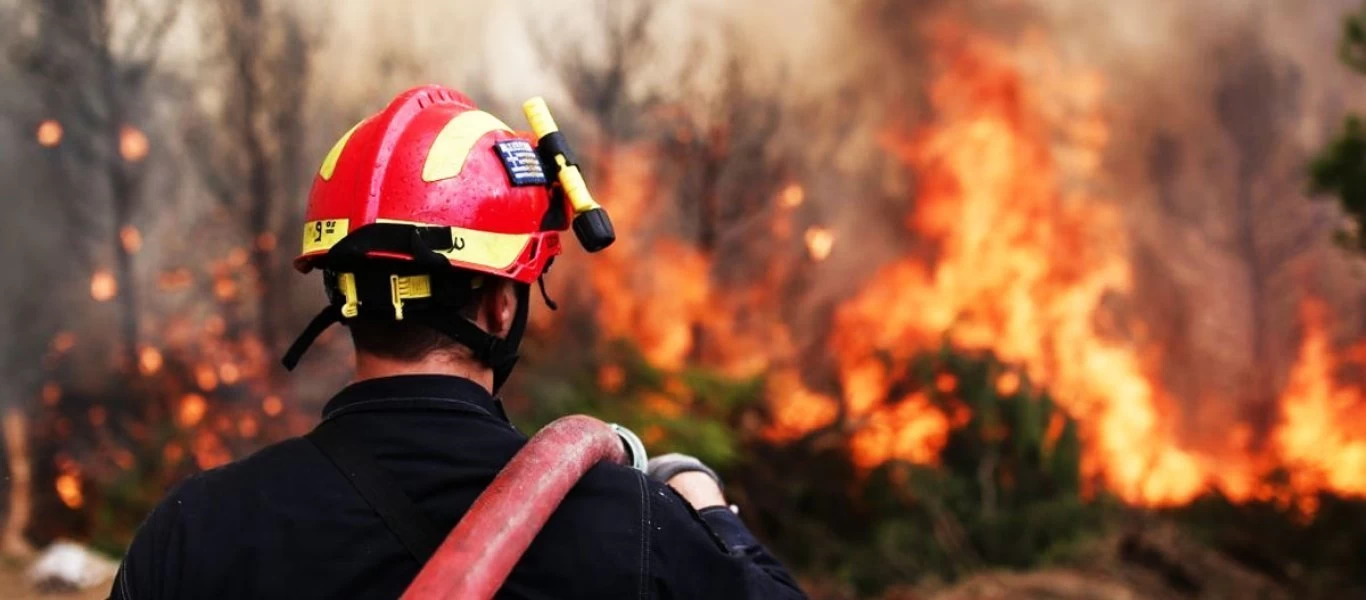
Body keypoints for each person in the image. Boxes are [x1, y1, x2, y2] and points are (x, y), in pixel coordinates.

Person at [109, 86, 806, 599]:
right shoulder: (632, 526)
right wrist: (702, 503)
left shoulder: (196, 529)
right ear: (504, 304)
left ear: (339, 292)